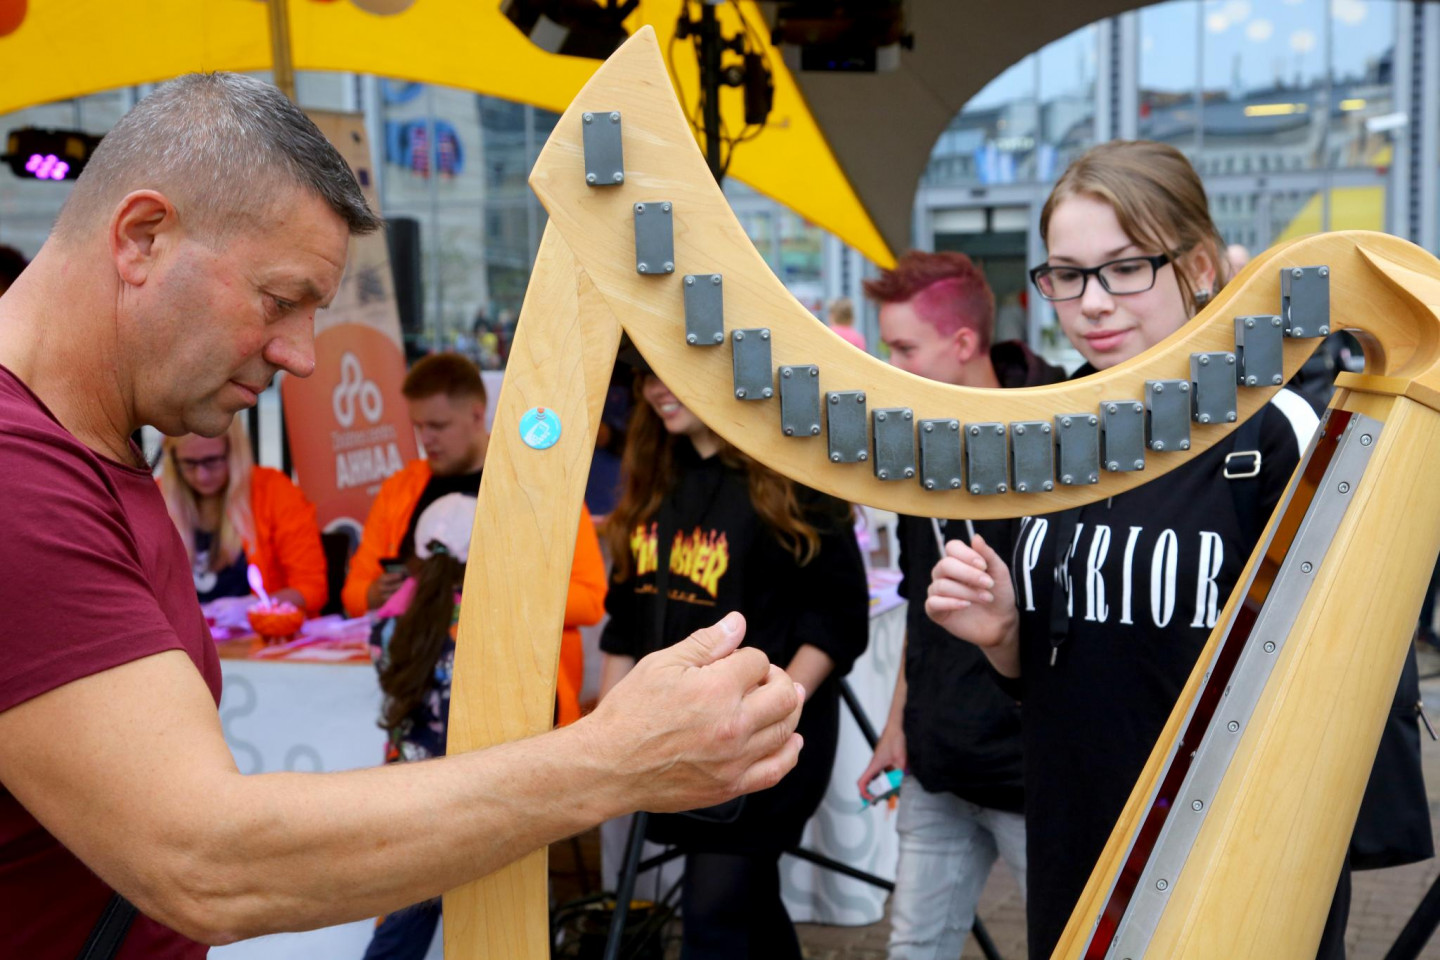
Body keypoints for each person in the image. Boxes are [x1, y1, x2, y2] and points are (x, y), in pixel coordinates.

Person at [0, 72, 805, 958]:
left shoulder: (93, 443)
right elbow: (203, 861)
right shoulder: (19, 477)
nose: (302, 356)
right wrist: (613, 759)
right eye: (280, 301)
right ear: (142, 237)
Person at [924, 140, 1330, 960]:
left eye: (1125, 268)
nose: (1093, 303)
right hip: (1075, 842)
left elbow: (1326, 682)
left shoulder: (1274, 433)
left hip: (1229, 857)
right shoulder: (1051, 426)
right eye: (1067, 274)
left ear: (1199, 265)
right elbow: (1057, 672)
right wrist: (1004, 636)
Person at [597, 366, 870, 960]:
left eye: (672, 372)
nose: (656, 389)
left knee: (714, 912)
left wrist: (773, 709)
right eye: (646, 378)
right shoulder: (654, 477)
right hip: (673, 737)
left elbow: (839, 617)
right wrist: (603, 735)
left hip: (769, 735)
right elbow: (625, 621)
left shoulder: (796, 479)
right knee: (745, 907)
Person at [856, 250, 1064, 958]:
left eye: (904, 348)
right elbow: (921, 605)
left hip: (1037, 775)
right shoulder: (923, 440)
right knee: (913, 949)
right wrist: (896, 727)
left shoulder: (1060, 432)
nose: (891, 366)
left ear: (964, 342)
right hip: (938, 766)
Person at [342, 351, 605, 726]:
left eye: (438, 425)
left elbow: (590, 600)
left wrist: (495, 592)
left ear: (477, 415)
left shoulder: (541, 486)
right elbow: (354, 594)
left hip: (525, 695)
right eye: (418, 426)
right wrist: (376, 593)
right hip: (414, 692)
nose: (426, 439)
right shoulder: (399, 490)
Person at [158, 417, 328, 614]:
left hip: (259, 631)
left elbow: (312, 589)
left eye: (212, 461)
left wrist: (257, 606)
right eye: (189, 463)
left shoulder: (274, 491)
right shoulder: (156, 497)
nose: (201, 475)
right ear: (173, 460)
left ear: (234, 451)